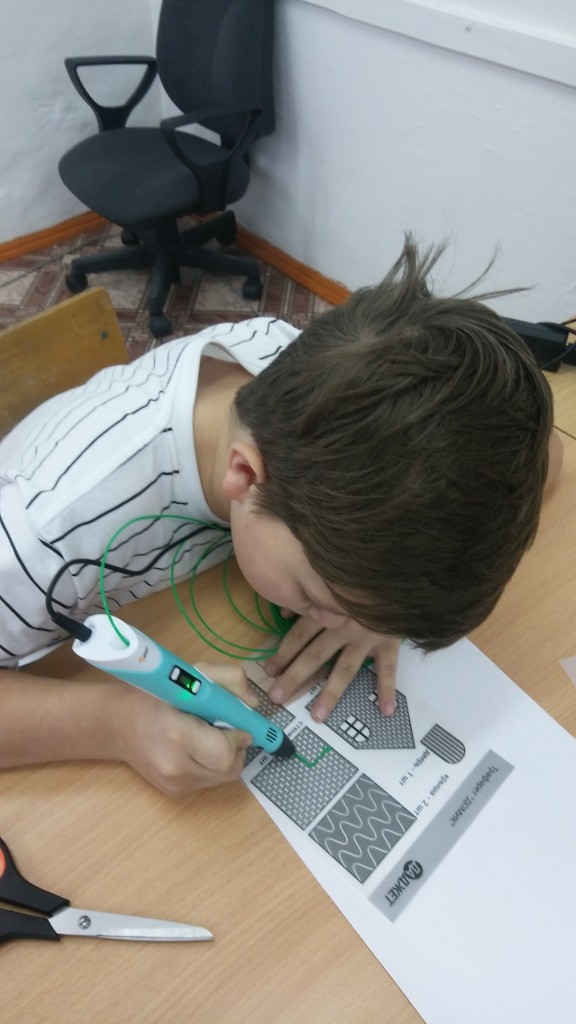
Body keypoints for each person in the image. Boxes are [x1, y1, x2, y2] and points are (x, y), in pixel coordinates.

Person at [0, 237, 562, 795]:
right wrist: (119, 725)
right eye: (318, 598)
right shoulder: (45, 533)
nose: (332, 620)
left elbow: (550, 454)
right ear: (245, 475)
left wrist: (374, 608)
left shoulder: (318, 374)